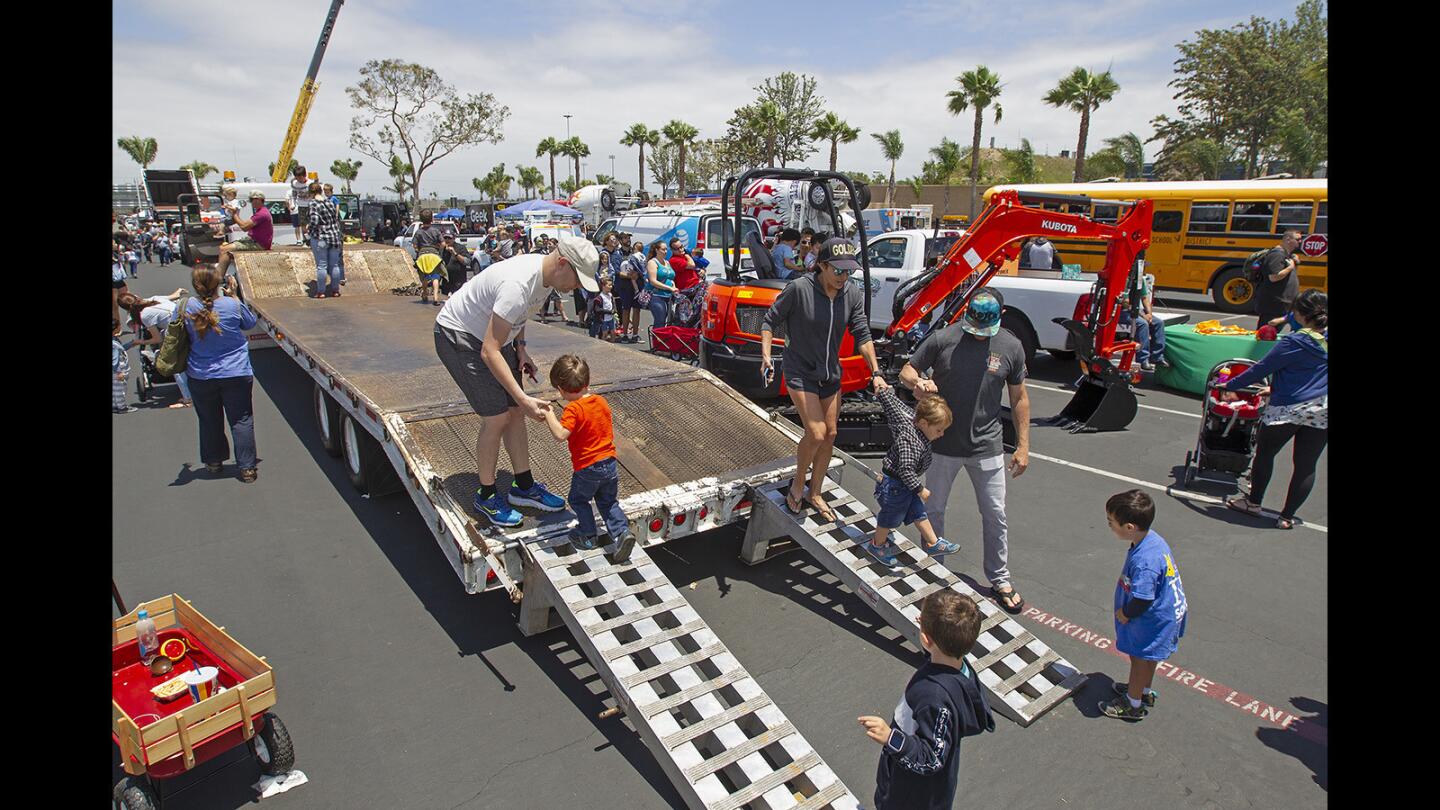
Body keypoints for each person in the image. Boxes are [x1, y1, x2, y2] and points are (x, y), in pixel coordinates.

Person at [433, 233, 600, 527]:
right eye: (578, 279)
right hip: (459, 335)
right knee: (497, 418)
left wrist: (521, 349)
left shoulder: (546, 279)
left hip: (493, 338)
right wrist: (523, 398)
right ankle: (485, 495)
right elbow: (489, 350)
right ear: (563, 263)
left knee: (515, 415)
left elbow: (518, 317)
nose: (577, 288)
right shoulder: (518, 284)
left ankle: (523, 487)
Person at [899, 288, 1030, 614]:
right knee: (934, 511)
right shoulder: (944, 339)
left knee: (995, 514)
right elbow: (907, 370)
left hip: (987, 446)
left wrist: (1024, 445)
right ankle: (934, 573)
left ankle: (999, 578)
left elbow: (1019, 399)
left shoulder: (1011, 346)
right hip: (943, 445)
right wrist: (917, 383)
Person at [761, 237, 889, 521]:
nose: (844, 277)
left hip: (829, 373)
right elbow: (770, 321)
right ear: (821, 265)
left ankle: (814, 491)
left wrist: (876, 373)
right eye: (839, 271)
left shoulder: (851, 294)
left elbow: (863, 334)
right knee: (816, 432)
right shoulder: (799, 289)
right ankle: (798, 483)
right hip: (800, 370)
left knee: (831, 433)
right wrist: (767, 355)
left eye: (849, 271)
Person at [858, 591, 994, 810]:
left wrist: (891, 738)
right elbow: (939, 652)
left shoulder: (933, 695)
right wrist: (930, 633)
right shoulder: (960, 669)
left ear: (926, 639)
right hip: (933, 792)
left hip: (913, 795)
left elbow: (931, 758)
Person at [1221, 288, 1327, 529]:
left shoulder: (1295, 342)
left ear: (1300, 314)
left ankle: (1253, 503)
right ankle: (1287, 517)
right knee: (1306, 465)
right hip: (1322, 409)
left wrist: (1230, 384)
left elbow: (1261, 369)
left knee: (1265, 455)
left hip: (1288, 408)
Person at [1100, 490, 1188, 721]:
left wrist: (1125, 613)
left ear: (1129, 527)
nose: (1109, 525)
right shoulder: (1153, 540)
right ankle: (1142, 691)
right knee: (1149, 658)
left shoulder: (1145, 561)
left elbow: (1143, 597)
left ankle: (1132, 704)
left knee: (1139, 659)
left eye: (1111, 522)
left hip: (1151, 619)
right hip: (1165, 615)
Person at [541, 354, 634, 553]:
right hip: (609, 463)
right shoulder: (601, 401)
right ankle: (621, 533)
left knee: (578, 499)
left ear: (560, 389)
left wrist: (549, 413)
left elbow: (560, 434)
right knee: (608, 501)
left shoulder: (573, 409)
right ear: (587, 382)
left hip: (587, 467)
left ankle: (588, 534)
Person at [862, 387, 961, 568]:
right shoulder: (910, 440)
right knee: (889, 518)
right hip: (895, 486)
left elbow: (894, 407)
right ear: (924, 423)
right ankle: (876, 545)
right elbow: (905, 469)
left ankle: (933, 543)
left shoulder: (913, 423)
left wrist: (883, 391)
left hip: (904, 486)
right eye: (939, 430)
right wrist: (920, 489)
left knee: (918, 512)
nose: (942, 434)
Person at [183, 265, 261, 482]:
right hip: (235, 371)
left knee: (208, 419)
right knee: (241, 419)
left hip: (200, 374)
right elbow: (250, 323)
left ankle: (213, 462)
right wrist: (235, 296)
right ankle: (247, 468)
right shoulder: (231, 304)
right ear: (218, 283)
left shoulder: (186, 306)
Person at [120, 288, 193, 408]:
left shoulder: (145, 315)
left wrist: (140, 341)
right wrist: (179, 291)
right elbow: (173, 296)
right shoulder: (155, 299)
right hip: (187, 326)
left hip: (177, 332)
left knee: (173, 365)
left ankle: (188, 398)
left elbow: (157, 339)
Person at [216, 191, 275, 284]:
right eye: (251, 200)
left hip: (259, 244)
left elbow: (244, 227)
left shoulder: (262, 214)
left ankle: (218, 279)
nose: (253, 202)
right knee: (223, 246)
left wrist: (235, 214)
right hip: (253, 241)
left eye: (256, 199)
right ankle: (220, 276)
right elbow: (244, 225)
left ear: (261, 200)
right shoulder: (260, 212)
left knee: (224, 249)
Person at [1253, 229, 1303, 330]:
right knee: (1266, 335)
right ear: (1288, 239)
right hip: (1274, 305)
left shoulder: (1286, 255)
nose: (1300, 241)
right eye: (1298, 239)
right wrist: (1290, 267)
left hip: (1284, 304)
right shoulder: (1277, 254)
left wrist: (1294, 263)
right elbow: (1274, 277)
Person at [307, 182, 344, 299]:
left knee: (321, 266)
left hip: (321, 238)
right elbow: (335, 218)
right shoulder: (330, 202)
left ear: (311, 193)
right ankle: (335, 290)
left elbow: (314, 221)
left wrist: (309, 230)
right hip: (334, 236)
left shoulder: (313, 203)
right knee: (334, 265)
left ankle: (321, 292)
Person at [643, 241, 678, 329]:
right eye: (663, 249)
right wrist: (669, 288)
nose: (665, 251)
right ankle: (656, 341)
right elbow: (653, 281)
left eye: (666, 249)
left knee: (667, 320)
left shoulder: (667, 262)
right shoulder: (652, 262)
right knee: (660, 319)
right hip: (656, 296)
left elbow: (670, 278)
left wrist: (673, 285)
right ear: (657, 250)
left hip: (668, 297)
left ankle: (661, 340)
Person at [615, 240, 645, 342]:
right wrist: (630, 276)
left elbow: (643, 270)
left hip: (637, 287)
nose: (627, 241)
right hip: (625, 287)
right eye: (637, 247)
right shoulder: (620, 255)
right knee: (626, 310)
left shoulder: (639, 257)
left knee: (637, 310)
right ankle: (625, 334)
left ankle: (635, 335)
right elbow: (617, 272)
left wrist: (638, 275)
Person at [113, 318, 136, 414]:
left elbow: (121, 349)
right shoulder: (113, 344)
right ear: (116, 328)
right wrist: (118, 372)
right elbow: (114, 359)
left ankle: (114, 406)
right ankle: (122, 407)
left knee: (115, 389)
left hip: (116, 371)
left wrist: (131, 344)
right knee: (120, 390)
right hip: (118, 371)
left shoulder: (114, 340)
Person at [288, 165, 310, 245]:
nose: (299, 180)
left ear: (305, 175)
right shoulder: (295, 184)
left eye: (301, 177)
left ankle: (312, 239)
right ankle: (307, 240)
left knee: (310, 224)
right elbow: (293, 195)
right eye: (297, 178)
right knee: (303, 224)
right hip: (301, 206)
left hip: (310, 206)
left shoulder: (310, 183)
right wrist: (292, 204)